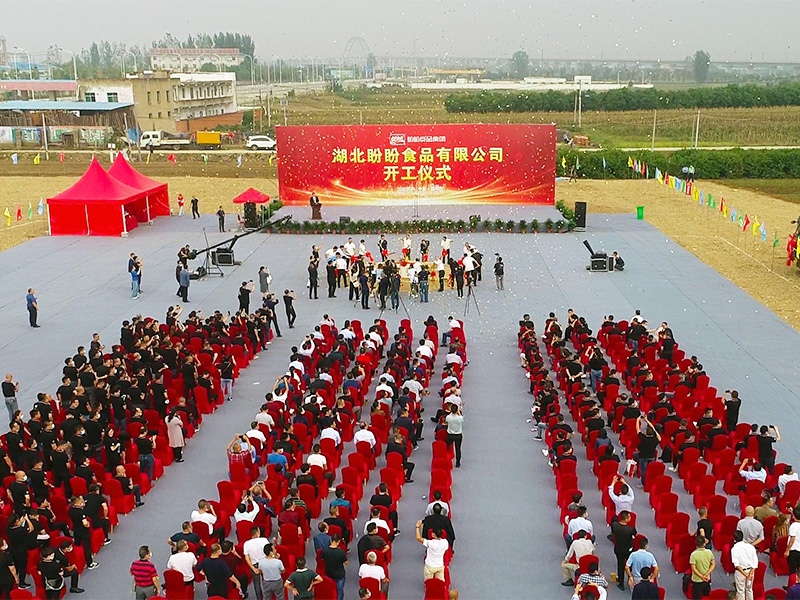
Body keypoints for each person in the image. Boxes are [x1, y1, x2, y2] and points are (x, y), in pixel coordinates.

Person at [611, 510, 636, 591]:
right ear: (626, 519)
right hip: (628, 550)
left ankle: (621, 583)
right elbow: (635, 535)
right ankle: (630, 580)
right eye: (629, 517)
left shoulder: (615, 525)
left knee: (620, 565)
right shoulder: (630, 529)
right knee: (629, 565)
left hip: (618, 549)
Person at [731, 530, 758, 600]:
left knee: (740, 591)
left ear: (734, 539)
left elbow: (736, 565)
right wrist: (749, 574)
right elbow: (755, 563)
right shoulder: (751, 547)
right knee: (749, 589)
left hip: (740, 572)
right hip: (751, 571)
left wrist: (745, 575)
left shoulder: (734, 549)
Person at [321, 534, 348, 600]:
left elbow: (322, 559)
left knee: (330, 591)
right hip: (339, 574)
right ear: (338, 541)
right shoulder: (341, 552)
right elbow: (346, 563)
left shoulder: (325, 551)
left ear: (331, 540)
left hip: (329, 573)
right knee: (339, 591)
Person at [689, 535, 716, 600]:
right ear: (704, 543)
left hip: (697, 580)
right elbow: (713, 564)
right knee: (706, 596)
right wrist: (707, 574)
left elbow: (694, 568)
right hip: (707, 578)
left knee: (696, 597)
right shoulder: (709, 552)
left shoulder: (693, 554)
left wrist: (701, 576)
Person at [445, 404, 464, 468]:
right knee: (458, 449)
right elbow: (462, 419)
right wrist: (458, 412)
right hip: (458, 435)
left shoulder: (448, 417)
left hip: (450, 435)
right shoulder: (460, 418)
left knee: (447, 447)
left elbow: (447, 421)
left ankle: (445, 458)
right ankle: (458, 462)